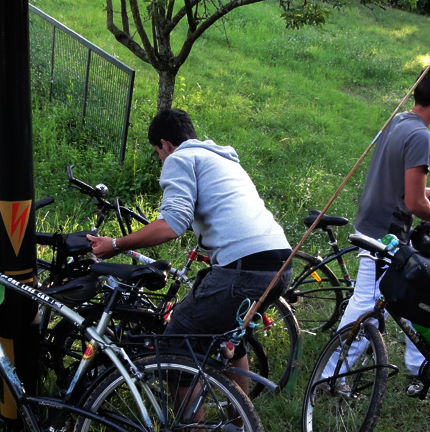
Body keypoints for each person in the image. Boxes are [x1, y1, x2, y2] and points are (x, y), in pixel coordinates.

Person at [87, 108, 292, 394]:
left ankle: (189, 427)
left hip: (245, 270)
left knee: (176, 344)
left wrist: (116, 244)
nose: (160, 160)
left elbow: (172, 224)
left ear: (165, 144)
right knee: (231, 333)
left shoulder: (180, 158)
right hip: (281, 264)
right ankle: (240, 421)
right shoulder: (223, 160)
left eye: (157, 153)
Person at [324, 63, 430, 381]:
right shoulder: (422, 137)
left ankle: (418, 363)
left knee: (414, 288)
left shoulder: (398, 120)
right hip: (384, 231)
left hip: (374, 219)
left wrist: (423, 190)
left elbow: (397, 178)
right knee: (366, 303)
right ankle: (332, 372)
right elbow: (414, 204)